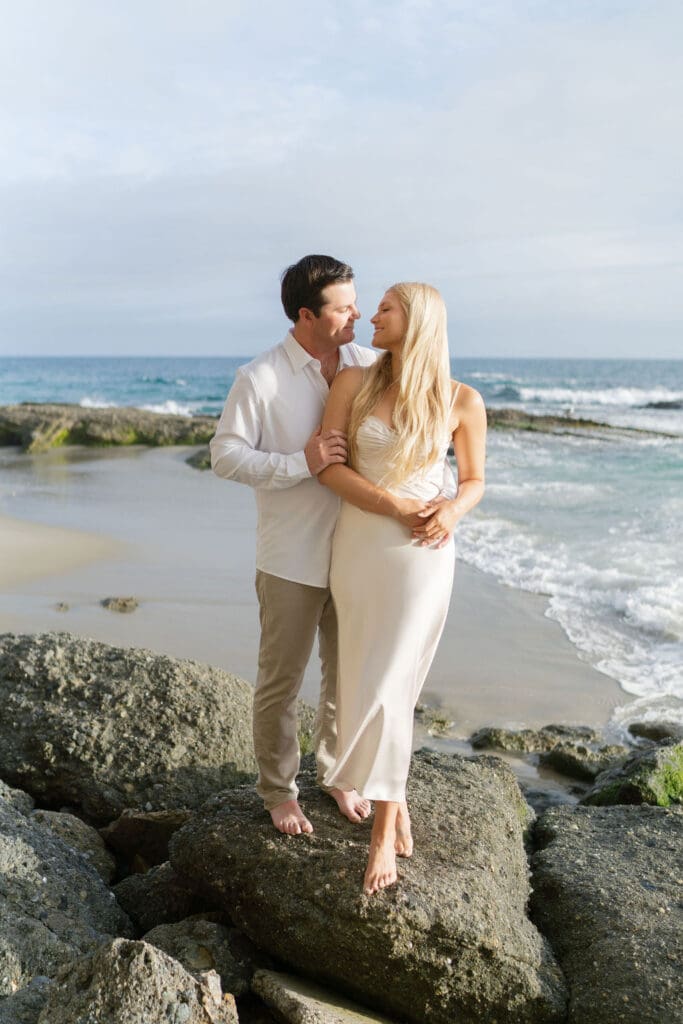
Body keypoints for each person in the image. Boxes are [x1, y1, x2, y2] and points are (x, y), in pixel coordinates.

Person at [318, 282, 487, 895]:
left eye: (386, 307)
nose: (372, 314)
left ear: (417, 321)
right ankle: (395, 792)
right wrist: (392, 505)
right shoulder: (353, 384)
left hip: (423, 554)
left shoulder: (462, 400)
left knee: (394, 684)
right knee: (365, 680)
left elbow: (473, 481)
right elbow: (330, 468)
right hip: (360, 547)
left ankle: (383, 831)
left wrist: (452, 511)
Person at [210, 254, 377, 836]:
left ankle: (338, 773)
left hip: (358, 551)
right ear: (306, 315)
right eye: (343, 307)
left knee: (347, 675)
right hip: (290, 556)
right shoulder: (260, 378)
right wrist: (299, 462)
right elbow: (224, 456)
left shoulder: (368, 364)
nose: (357, 314)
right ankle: (279, 791)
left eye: (356, 302)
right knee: (281, 681)